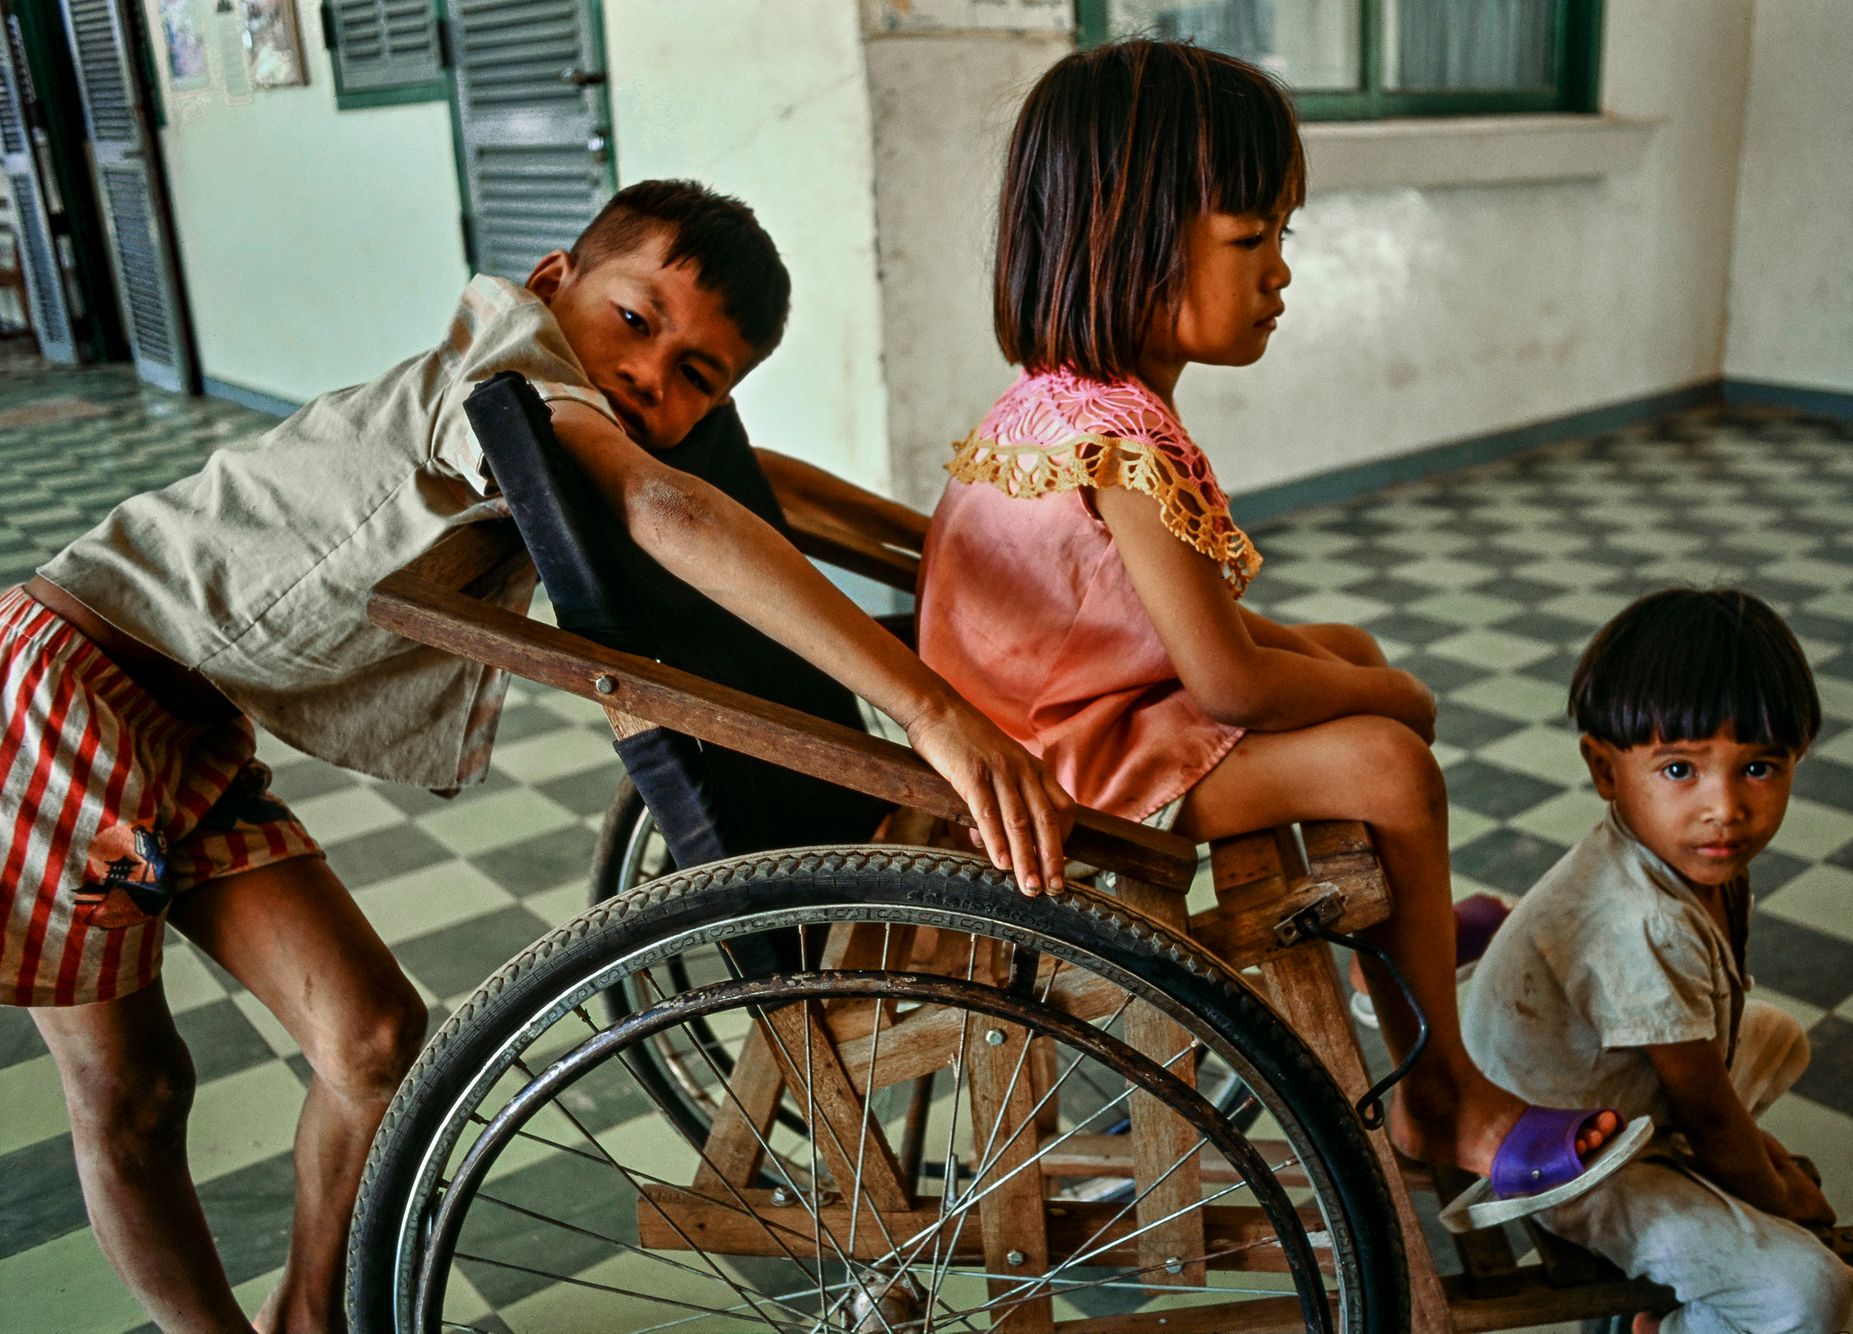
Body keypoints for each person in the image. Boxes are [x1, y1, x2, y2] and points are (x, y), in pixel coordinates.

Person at [3, 179, 1072, 1333]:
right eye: (635, 320)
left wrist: (944, 544)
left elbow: (735, 482)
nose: (651, 375)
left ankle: (305, 1321)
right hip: (66, 684)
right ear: (558, 278)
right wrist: (928, 709)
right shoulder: (505, 369)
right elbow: (671, 506)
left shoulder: (605, 407)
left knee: (372, 1043)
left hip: (187, 727)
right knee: (135, 1093)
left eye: (696, 375)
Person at [914, 38, 1642, 1227]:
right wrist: (1401, 694)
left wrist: (1349, 664)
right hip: (1064, 765)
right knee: (1387, 758)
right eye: (1252, 240)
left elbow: (1177, 627)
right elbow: (1230, 682)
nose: (1279, 275)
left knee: (1342, 648)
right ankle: (1443, 1099)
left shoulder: (1062, 397)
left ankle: (1397, 923)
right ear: (1129, 238)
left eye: (1278, 240)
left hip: (1067, 708)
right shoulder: (1121, 443)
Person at [1462, 587, 1853, 1331]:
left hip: (1599, 1088)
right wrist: (1784, 1202)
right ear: (1605, 769)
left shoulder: (1690, 855)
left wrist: (1747, 1154)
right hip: (1563, 1157)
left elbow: (1706, 1091)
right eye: (1681, 769)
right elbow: (1709, 1114)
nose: (1726, 808)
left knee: (1778, 1035)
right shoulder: (1642, 921)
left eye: (1760, 767)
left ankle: (1698, 1204)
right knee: (1809, 1293)